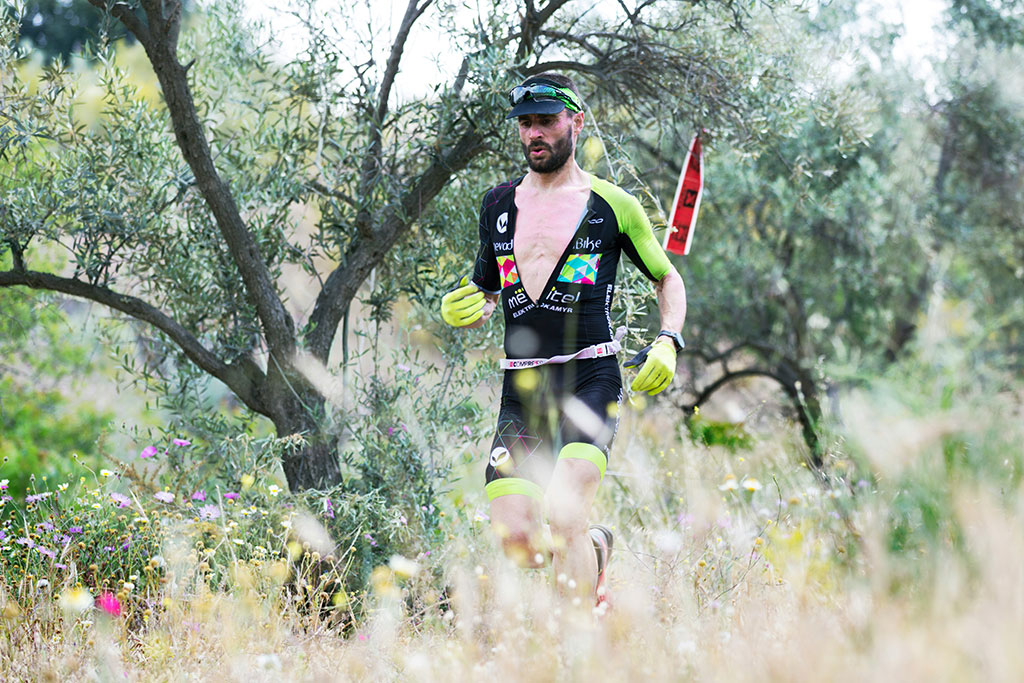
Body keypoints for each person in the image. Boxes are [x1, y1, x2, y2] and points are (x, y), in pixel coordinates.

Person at [440, 73, 687, 605]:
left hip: (590, 377)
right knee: (517, 543)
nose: (535, 133)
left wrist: (668, 339)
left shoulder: (612, 203)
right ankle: (597, 551)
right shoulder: (497, 204)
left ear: (575, 122)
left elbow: (667, 277)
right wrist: (467, 304)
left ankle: (573, 649)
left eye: (547, 121)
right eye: (526, 123)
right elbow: (486, 288)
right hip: (522, 389)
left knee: (564, 515)